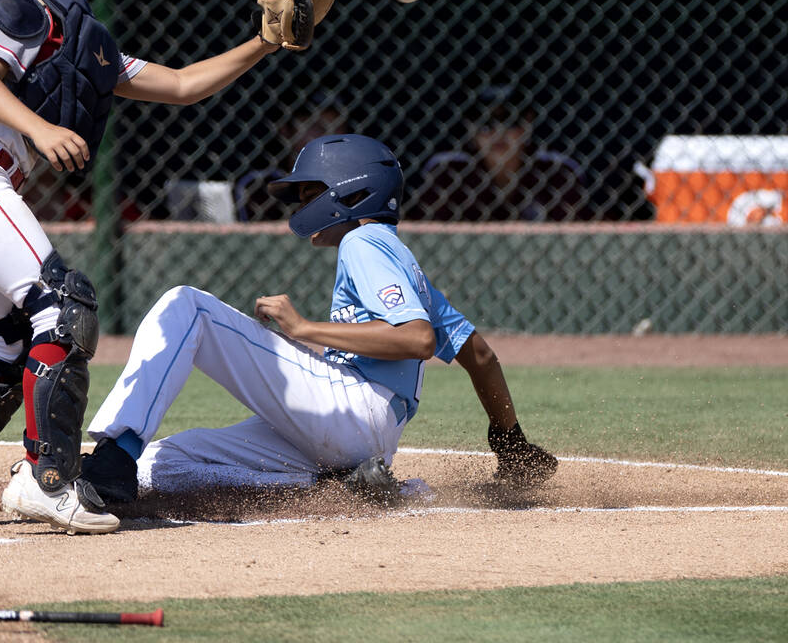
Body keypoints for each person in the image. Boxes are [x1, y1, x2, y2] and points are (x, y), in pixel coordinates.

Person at [0, 0, 306, 534]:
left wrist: (264, 42)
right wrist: (40, 127)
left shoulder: (90, 44)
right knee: (65, 305)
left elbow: (184, 85)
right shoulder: (20, 2)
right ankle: (47, 481)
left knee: (16, 335)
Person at [79, 133, 557, 505]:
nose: (301, 205)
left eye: (310, 192)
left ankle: (112, 454)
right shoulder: (404, 263)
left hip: (354, 408)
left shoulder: (364, 241)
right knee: (163, 464)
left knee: (187, 306)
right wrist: (509, 439)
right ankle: (337, 485)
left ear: (350, 192)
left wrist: (304, 329)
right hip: (354, 434)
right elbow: (483, 356)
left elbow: (417, 338)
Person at [412, 83, 588, 221]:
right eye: (485, 122)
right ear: (470, 127)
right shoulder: (447, 171)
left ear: (528, 123)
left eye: (509, 120)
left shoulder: (558, 170)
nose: (498, 131)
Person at [235, 98, 350, 221]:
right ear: (285, 130)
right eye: (317, 127)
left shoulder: (354, 179)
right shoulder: (259, 183)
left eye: (337, 126)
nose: (328, 135)